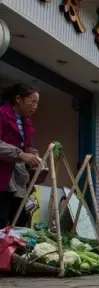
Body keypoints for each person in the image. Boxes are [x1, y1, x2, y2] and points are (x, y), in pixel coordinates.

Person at [0, 84, 41, 228]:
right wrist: (21, 154)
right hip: (3, 177)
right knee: (2, 218)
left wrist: (32, 153)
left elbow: (24, 146)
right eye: (33, 101)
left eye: (37, 103)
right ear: (18, 99)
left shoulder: (25, 122)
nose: (35, 106)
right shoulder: (2, 115)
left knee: (20, 220)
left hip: (18, 179)